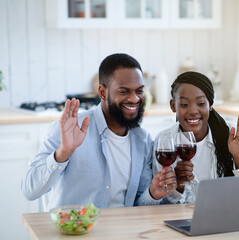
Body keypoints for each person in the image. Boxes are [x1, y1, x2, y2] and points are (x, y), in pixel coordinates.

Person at [21, 53, 176, 210]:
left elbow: (137, 206)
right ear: (102, 92)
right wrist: (63, 153)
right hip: (75, 231)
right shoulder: (70, 129)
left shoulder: (143, 141)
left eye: (139, 91)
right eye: (124, 91)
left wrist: (153, 193)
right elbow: (29, 191)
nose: (134, 99)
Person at [153, 71, 239, 203]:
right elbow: (160, 204)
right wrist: (178, 185)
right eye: (184, 104)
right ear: (173, 106)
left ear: (210, 105)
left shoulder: (231, 135)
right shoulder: (164, 142)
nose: (193, 111)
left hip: (225, 217)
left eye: (201, 103)